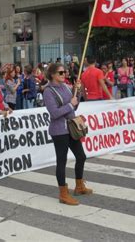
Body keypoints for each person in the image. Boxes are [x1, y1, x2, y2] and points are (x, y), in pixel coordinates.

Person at [43, 63, 92, 206]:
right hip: (59, 131)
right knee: (62, 161)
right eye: (60, 73)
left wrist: (78, 92)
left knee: (81, 156)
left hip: (71, 128)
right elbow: (54, 113)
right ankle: (63, 193)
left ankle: (79, 186)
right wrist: (71, 104)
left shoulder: (65, 87)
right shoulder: (48, 91)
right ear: (52, 75)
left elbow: (74, 106)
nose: (64, 74)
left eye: (65, 72)